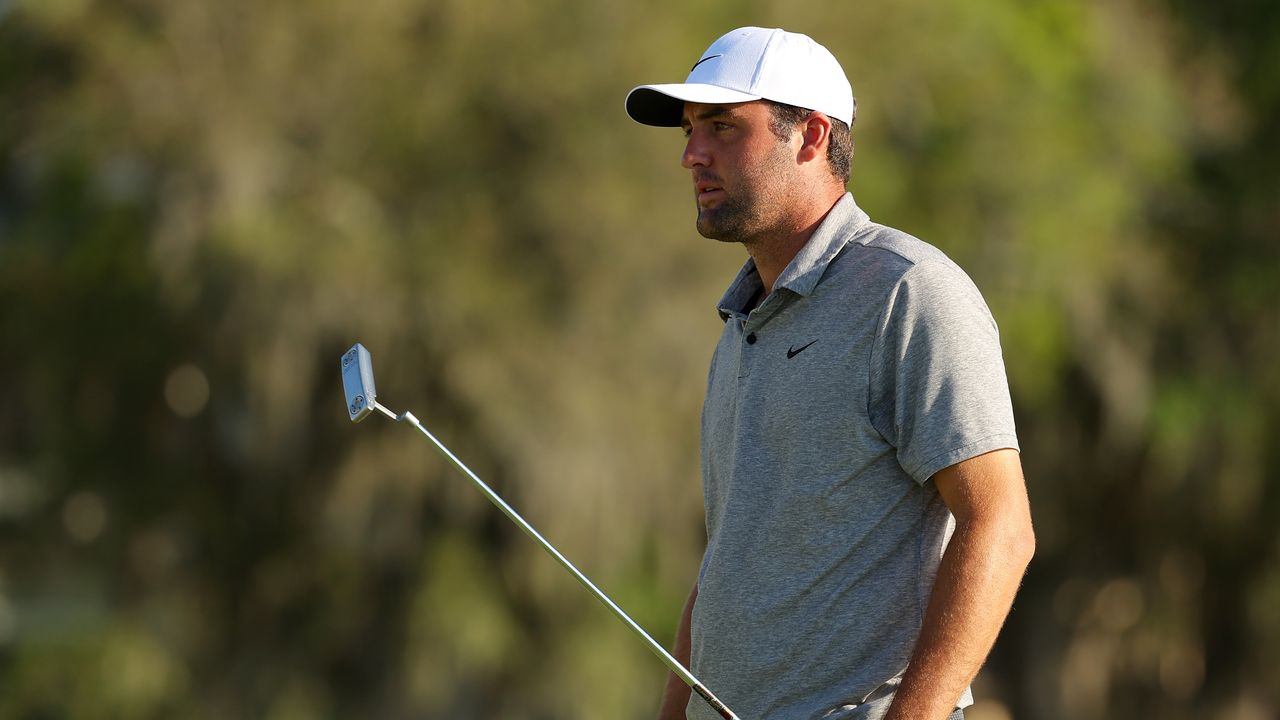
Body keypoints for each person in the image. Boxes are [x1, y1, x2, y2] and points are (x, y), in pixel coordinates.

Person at [624, 27, 1036, 720]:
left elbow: (1001, 524)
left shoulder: (909, 291)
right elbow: (727, 564)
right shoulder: (741, 324)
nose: (692, 154)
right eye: (693, 130)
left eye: (724, 127)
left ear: (811, 137)